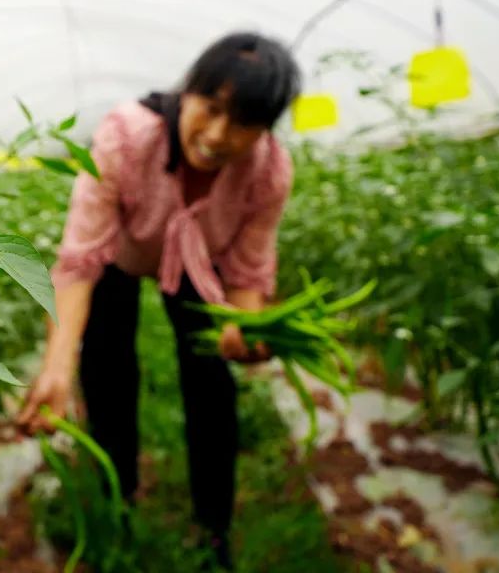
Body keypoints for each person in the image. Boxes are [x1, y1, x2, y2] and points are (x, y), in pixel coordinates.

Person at [16, 32, 301, 569]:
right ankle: (117, 500)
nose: (218, 135)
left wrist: (245, 327)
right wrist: (56, 366)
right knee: (106, 373)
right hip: (119, 256)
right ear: (186, 91)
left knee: (212, 385)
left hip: (200, 264)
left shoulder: (268, 171)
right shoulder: (126, 136)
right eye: (210, 109)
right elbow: (78, 263)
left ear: (264, 131)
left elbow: (246, 269)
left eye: (243, 123)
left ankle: (214, 527)